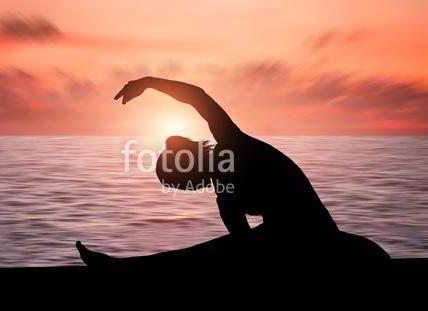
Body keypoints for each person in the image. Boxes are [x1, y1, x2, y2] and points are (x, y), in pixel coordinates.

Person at [76, 77, 387, 268]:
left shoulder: (232, 143)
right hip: (286, 240)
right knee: (210, 252)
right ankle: (122, 267)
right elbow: (244, 247)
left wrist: (148, 81)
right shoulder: (225, 196)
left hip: (315, 240)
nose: (191, 189)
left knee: (207, 255)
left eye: (183, 183)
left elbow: (197, 96)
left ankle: (122, 269)